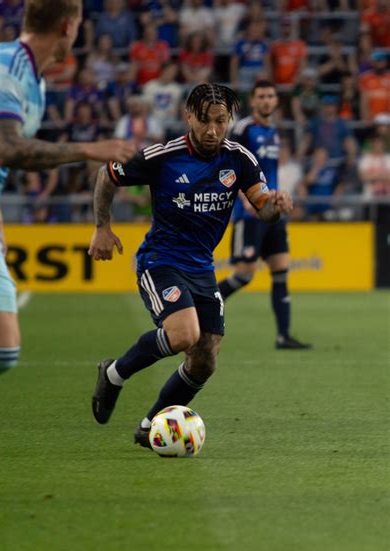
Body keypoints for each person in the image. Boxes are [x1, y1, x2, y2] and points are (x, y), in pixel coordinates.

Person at [0, 0, 135, 505]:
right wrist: (87, 149)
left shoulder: (33, 80)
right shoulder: (6, 67)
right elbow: (8, 148)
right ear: (69, 26)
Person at [88, 83, 294, 450]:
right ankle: (115, 373)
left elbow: (262, 208)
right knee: (184, 335)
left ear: (230, 119)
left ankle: (150, 424)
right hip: (160, 261)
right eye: (204, 121)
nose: (213, 130)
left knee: (205, 359)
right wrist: (103, 226)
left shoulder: (240, 159)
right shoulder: (162, 155)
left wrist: (275, 205)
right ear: (188, 117)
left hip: (202, 267)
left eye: (221, 121)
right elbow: (108, 174)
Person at [218, 80, 311, 350]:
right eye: (262, 96)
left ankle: (283, 336)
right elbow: (226, 165)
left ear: (276, 100)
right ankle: (201, 307)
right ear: (254, 101)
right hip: (249, 215)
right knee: (244, 276)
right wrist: (244, 197)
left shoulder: (272, 131)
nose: (267, 100)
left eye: (271, 95)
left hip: (273, 213)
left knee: (281, 272)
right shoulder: (243, 129)